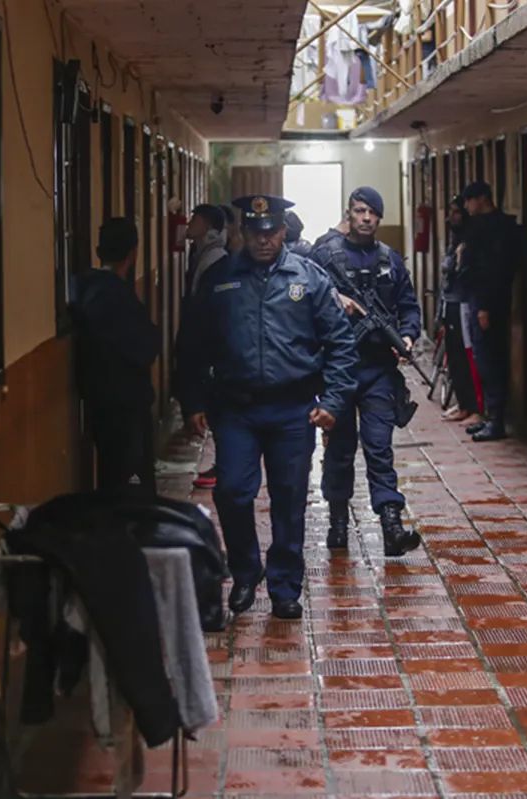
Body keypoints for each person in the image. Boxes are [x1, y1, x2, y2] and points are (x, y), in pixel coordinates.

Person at [177, 194, 359, 620]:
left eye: (271, 231)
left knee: (289, 499)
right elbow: (191, 345)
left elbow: (340, 345)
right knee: (232, 492)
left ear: (283, 230)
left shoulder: (309, 279)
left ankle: (284, 586)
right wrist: (192, 401)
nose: (263, 240)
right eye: (255, 232)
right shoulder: (220, 279)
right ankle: (245, 572)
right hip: (235, 409)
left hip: (293, 410)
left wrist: (333, 401)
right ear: (243, 232)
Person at [310, 187, 423, 557]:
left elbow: (409, 307)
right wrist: (333, 298)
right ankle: (338, 521)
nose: (366, 218)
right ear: (349, 213)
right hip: (339, 370)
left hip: (378, 370)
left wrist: (406, 335)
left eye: (373, 213)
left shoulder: (390, 259)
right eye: (360, 211)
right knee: (340, 450)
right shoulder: (325, 256)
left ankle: (391, 523)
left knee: (379, 447)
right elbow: (303, 295)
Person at [72, 218, 161, 494]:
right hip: (125, 402)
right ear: (133, 254)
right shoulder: (119, 298)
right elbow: (143, 349)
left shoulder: (81, 286)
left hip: (96, 396)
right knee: (127, 474)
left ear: (99, 252)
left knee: (112, 471)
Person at [461, 180, 519, 442]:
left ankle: (495, 419)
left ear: (481, 199)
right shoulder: (485, 227)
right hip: (480, 299)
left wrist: (484, 306)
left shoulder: (495, 229)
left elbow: (492, 270)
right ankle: (489, 415)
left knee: (490, 358)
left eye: (469, 200)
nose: (465, 206)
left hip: (488, 303)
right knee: (484, 358)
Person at [182, 204, 231, 491]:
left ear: (208, 225)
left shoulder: (217, 262)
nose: (188, 223)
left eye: (194, 219)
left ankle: (225, 465)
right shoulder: (201, 256)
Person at [439, 196, 484, 424]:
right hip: (451, 301)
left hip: (464, 302)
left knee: (468, 356)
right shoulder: (456, 237)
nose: (452, 216)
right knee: (455, 356)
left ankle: (475, 407)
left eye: (457, 211)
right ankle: (464, 403)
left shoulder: (469, 239)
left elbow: (454, 268)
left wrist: (452, 263)